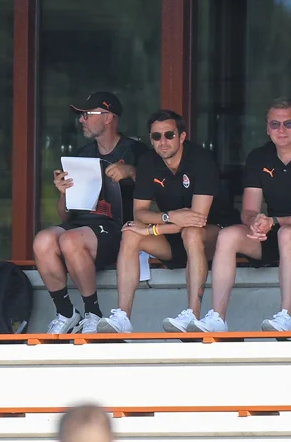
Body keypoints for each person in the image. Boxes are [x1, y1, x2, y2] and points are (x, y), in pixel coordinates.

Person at [190, 97, 291, 332]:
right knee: (228, 235)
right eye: (275, 124)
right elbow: (249, 210)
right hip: (274, 229)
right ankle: (218, 318)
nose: (282, 130)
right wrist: (255, 222)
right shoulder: (259, 157)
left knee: (287, 234)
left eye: (289, 123)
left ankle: (286, 317)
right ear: (267, 128)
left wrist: (274, 221)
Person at [96, 110, 237, 333]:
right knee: (130, 233)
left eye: (169, 135)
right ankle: (122, 317)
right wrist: (168, 216)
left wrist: (152, 230)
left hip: (212, 237)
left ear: (182, 136)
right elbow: (140, 213)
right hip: (173, 234)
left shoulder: (201, 160)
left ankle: (192, 315)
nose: (163, 142)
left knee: (191, 232)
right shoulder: (147, 162)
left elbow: (196, 220)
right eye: (156, 136)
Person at [33, 91, 149, 335]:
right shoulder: (82, 154)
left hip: (118, 228)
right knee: (42, 241)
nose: (81, 120)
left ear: (108, 117)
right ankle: (66, 313)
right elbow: (65, 216)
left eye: (87, 115)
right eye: (81, 115)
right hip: (81, 226)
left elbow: (161, 193)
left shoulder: (137, 152)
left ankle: (93, 313)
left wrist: (133, 172)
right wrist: (63, 193)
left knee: (70, 239)